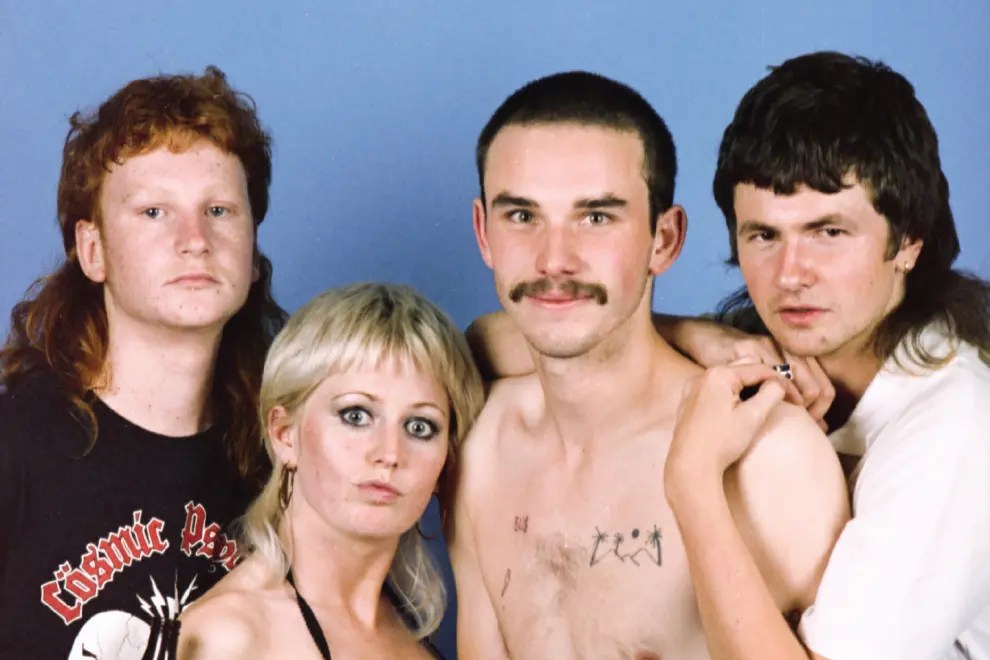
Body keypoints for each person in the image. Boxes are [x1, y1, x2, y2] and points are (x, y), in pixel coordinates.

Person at [450, 70, 849, 659]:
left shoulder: (771, 460)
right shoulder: (483, 447)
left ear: (664, 240)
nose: (554, 259)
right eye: (522, 216)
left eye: (596, 217)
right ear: (484, 233)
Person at [664, 51, 990, 659]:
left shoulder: (958, 424)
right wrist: (699, 335)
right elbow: (504, 342)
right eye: (764, 235)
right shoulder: (751, 348)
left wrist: (692, 482)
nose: (791, 275)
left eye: (829, 232)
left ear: (909, 241)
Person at [0, 67, 285, 659]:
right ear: (93, 250)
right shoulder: (14, 445)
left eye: (220, 210)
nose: (195, 239)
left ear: (253, 250)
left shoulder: (288, 457)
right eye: (154, 212)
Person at [175, 282, 484, 659]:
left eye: (419, 427)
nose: (389, 454)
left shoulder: (406, 629)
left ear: (446, 461)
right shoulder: (230, 639)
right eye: (356, 415)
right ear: (284, 435)